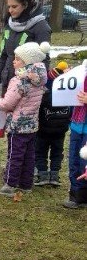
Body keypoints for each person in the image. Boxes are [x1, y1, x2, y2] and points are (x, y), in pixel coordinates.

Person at [0, 41, 48, 196]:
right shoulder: (39, 81)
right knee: (29, 155)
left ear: (27, 62)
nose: (13, 61)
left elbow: (8, 103)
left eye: (17, 59)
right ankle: (26, 184)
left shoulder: (19, 81)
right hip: (32, 126)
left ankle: (10, 184)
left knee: (15, 155)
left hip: (17, 126)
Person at [0, 0, 51, 97]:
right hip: (8, 83)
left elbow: (44, 60)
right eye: (9, 6)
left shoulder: (41, 27)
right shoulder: (9, 25)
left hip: (28, 88)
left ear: (25, 5)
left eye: (14, 6)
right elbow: (3, 55)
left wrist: (35, 83)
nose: (10, 10)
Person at [34, 60, 71, 187]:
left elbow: (37, 112)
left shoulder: (43, 97)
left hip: (42, 131)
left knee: (40, 152)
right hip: (60, 132)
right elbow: (70, 113)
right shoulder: (67, 97)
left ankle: (42, 174)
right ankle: (55, 175)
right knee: (57, 153)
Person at [63, 73, 87, 209]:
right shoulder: (80, 74)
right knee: (74, 161)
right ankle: (77, 195)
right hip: (77, 125)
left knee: (85, 163)